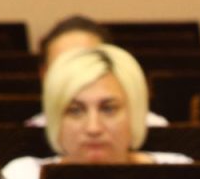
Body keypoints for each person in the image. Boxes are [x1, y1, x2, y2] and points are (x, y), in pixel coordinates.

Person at [0, 44, 192, 179]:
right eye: (75, 110)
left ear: (135, 113)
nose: (93, 128)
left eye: (108, 109)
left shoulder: (178, 172)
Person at [24, 17, 168, 128]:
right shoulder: (30, 132)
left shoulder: (155, 128)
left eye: (88, 63)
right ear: (44, 74)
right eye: (62, 67)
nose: (76, 76)